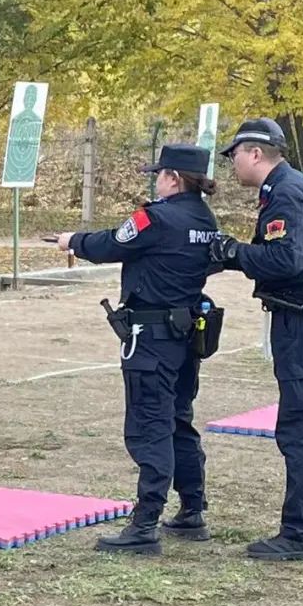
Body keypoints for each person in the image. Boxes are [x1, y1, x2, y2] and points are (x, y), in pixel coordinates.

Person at [52, 144, 220, 555]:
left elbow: (113, 244)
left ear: (174, 179)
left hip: (152, 337)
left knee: (150, 425)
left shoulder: (157, 216)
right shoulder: (205, 219)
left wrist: (74, 240)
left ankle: (145, 522)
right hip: (184, 334)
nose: (156, 180)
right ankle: (191, 507)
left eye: (160, 174)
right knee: (179, 419)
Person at [210, 118, 303, 561]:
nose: (232, 164)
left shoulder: (285, 192)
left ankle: (302, 533)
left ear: (255, 152)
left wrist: (232, 253)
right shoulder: (297, 186)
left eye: (234, 154)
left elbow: (286, 258)